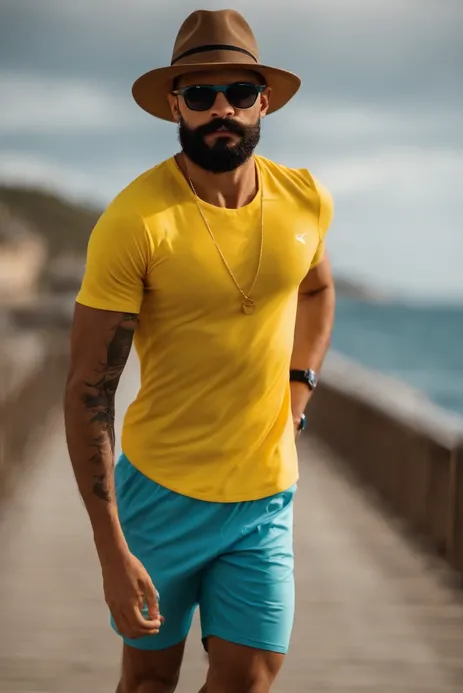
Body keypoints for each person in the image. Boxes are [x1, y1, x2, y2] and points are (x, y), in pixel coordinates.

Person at [64, 8, 335, 693]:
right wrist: (109, 550)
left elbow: (317, 289)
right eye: (201, 95)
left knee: (248, 678)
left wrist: (298, 389)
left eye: (240, 93)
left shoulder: (304, 200)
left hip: (265, 496)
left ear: (264, 100)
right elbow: (87, 390)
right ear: (173, 104)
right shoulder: (135, 222)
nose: (223, 110)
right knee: (150, 681)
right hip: (160, 493)